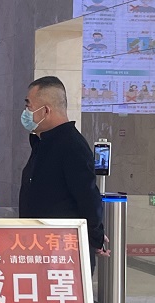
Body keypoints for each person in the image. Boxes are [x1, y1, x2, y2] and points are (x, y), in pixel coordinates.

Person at [19, 76, 109, 272]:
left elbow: (88, 198)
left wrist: (95, 238)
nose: (25, 112)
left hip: (63, 253)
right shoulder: (43, 143)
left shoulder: (71, 146)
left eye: (28, 106)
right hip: (40, 247)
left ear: (45, 111)